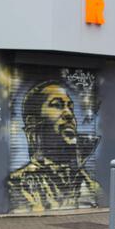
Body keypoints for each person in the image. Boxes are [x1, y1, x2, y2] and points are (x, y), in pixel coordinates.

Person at [9, 80, 100, 212]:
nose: (69, 114)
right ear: (32, 122)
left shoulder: (87, 183)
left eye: (70, 107)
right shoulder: (19, 185)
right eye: (57, 105)